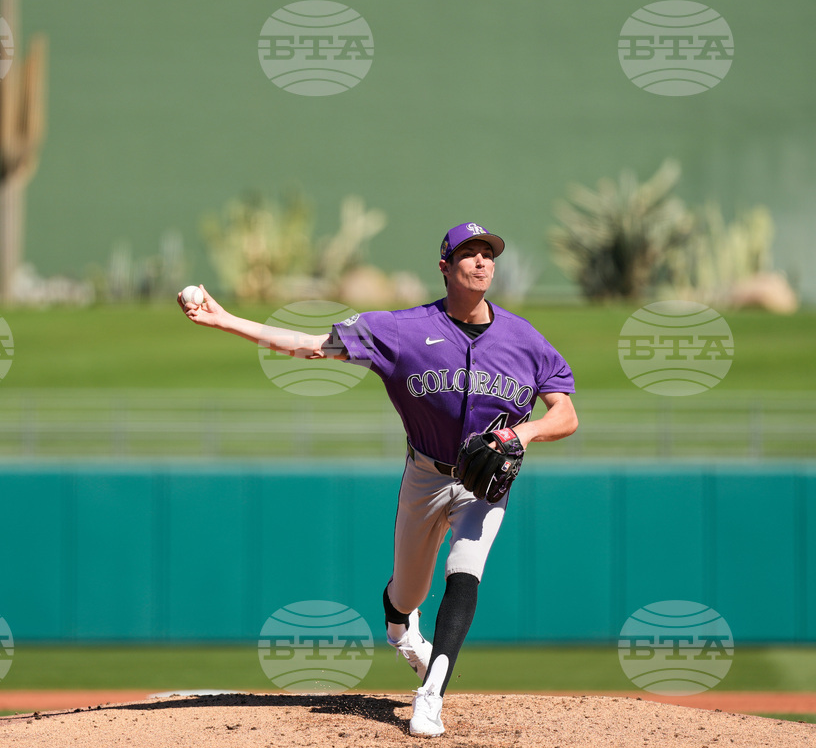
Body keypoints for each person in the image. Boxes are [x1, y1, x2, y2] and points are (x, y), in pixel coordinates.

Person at [178, 222, 578, 738]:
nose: (482, 262)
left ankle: (431, 692)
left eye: (489, 254)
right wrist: (226, 319)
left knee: (466, 571)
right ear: (445, 266)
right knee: (409, 591)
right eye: (469, 253)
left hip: (485, 481)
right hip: (425, 476)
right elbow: (308, 344)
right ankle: (401, 628)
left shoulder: (524, 339)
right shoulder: (400, 330)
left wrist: (524, 435)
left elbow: (565, 414)